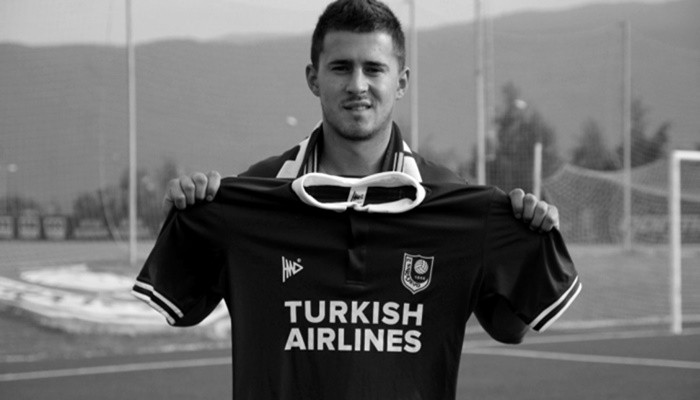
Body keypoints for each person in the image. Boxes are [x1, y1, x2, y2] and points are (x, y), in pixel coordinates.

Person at [136, 1, 580, 398]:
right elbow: (185, 311)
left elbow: (508, 328)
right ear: (313, 78)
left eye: (374, 68)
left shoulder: (454, 200)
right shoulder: (256, 192)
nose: (357, 85)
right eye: (340, 68)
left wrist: (527, 230)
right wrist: (188, 215)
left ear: (401, 82)